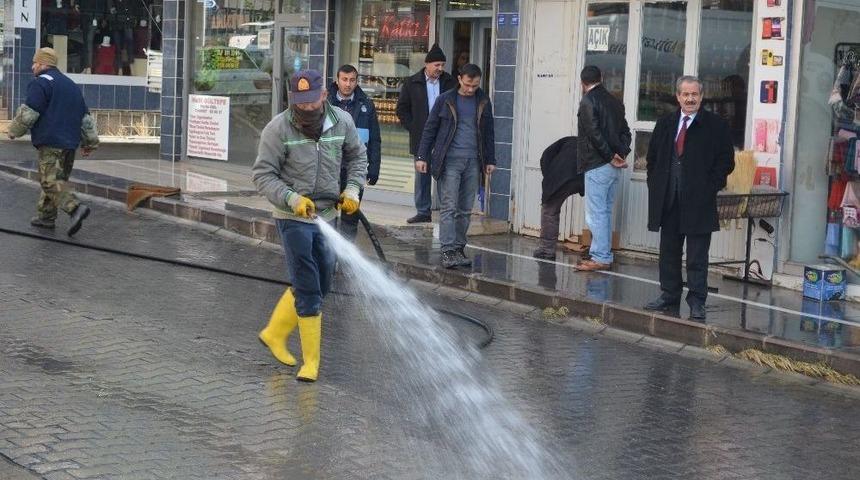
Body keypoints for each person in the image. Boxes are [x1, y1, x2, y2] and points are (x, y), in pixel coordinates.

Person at [252, 70, 368, 382]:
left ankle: (275, 332)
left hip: (328, 215)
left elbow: (358, 158)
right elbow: (263, 175)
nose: (305, 108)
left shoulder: (342, 122)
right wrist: (291, 198)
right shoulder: (277, 129)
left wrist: (353, 190)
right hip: (293, 218)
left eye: (311, 101)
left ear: (324, 95)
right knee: (307, 285)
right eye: (299, 103)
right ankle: (310, 363)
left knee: (323, 281)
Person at [643, 75, 734, 321]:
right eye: (685, 94)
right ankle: (669, 294)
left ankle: (696, 301)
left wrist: (709, 187)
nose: (690, 98)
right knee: (669, 252)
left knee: (697, 256)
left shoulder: (716, 125)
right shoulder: (665, 123)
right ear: (678, 97)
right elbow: (652, 159)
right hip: (668, 199)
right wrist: (656, 184)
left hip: (698, 201)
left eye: (694, 94)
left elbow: (726, 161)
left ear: (701, 97)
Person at [7, 47, 100, 236]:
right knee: (58, 179)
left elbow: (30, 112)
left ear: (43, 63)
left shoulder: (40, 83)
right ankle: (46, 217)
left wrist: (13, 131)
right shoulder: (70, 84)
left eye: (35, 62)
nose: (32, 66)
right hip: (70, 143)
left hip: (51, 141)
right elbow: (85, 117)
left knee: (49, 180)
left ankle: (75, 208)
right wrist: (89, 143)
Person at [416, 64, 495, 268]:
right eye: (468, 84)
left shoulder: (483, 101)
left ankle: (459, 247)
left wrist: (490, 160)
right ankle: (448, 249)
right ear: (460, 79)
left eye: (475, 85)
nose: (471, 89)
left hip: (473, 161)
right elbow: (430, 128)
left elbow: (488, 133)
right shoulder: (445, 100)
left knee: (465, 208)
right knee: (449, 207)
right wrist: (422, 156)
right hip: (449, 160)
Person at [574, 65, 632, 271]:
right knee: (605, 211)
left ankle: (600, 257)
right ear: (602, 77)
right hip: (612, 166)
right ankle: (604, 254)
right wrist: (621, 153)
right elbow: (626, 131)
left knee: (596, 213)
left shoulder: (588, 101)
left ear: (582, 83)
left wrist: (610, 157)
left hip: (597, 164)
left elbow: (593, 134)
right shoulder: (615, 101)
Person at [396, 43, 457, 224]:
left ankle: (446, 212)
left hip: (444, 137)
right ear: (427, 64)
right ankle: (423, 211)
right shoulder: (412, 82)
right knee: (422, 174)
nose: (440, 68)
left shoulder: (450, 82)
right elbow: (402, 109)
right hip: (422, 136)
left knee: (444, 174)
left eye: (442, 65)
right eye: (437, 65)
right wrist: (413, 127)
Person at [327, 64, 381, 241]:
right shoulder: (325, 102)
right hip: (329, 168)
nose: (348, 84)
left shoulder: (366, 104)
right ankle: (328, 256)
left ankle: (346, 259)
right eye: (344, 79)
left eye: (352, 80)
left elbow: (375, 139)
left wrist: (374, 167)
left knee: (351, 217)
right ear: (337, 80)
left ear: (357, 81)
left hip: (355, 169)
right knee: (328, 216)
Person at [533, 136, 583, 260]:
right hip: (586, 172)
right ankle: (597, 253)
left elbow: (545, 161)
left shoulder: (548, 158)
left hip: (565, 172)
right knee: (597, 213)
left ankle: (546, 250)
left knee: (549, 211)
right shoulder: (570, 142)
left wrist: (550, 185)